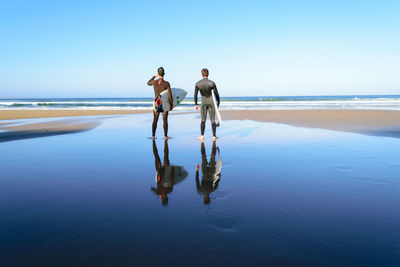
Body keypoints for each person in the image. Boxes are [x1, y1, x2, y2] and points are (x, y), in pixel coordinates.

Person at [147, 67, 173, 140]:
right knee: (165, 120)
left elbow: (148, 83)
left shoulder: (154, 82)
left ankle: (153, 136)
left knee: (155, 120)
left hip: (156, 102)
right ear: (164, 74)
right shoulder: (166, 83)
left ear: (158, 74)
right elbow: (169, 95)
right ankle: (165, 136)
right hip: (164, 103)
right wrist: (171, 105)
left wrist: (154, 76)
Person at [194, 68, 220, 142]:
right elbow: (217, 95)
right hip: (211, 103)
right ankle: (214, 136)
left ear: (202, 74)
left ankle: (202, 136)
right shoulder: (212, 83)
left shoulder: (198, 83)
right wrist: (218, 103)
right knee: (212, 120)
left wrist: (196, 104)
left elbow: (195, 95)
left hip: (204, 103)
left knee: (203, 120)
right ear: (208, 74)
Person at [151, 140, 175, 206]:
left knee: (156, 157)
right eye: (164, 197)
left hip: (159, 171)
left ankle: (154, 143)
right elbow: (172, 179)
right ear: (166, 197)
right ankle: (165, 142)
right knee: (166, 156)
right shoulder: (169, 190)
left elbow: (152, 189)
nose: (163, 196)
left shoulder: (158, 192)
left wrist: (157, 193)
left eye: (163, 198)